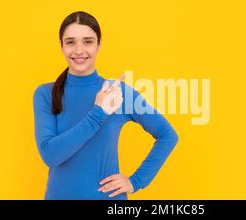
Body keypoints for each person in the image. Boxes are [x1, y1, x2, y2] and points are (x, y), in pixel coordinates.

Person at [32, 11, 179, 200]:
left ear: (99, 44)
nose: (79, 50)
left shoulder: (118, 92)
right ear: (61, 46)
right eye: (70, 42)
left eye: (87, 41)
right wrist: (98, 113)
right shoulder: (45, 94)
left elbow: (168, 135)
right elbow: (51, 155)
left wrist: (135, 181)